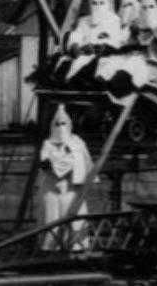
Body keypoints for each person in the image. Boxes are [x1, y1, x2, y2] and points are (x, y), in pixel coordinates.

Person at [38, 105, 92, 249]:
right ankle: (50, 248)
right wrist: (66, 161)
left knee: (74, 219)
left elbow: (84, 162)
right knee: (52, 219)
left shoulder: (77, 143)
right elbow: (45, 164)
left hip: (72, 189)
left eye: (63, 123)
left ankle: (76, 246)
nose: (60, 127)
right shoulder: (48, 143)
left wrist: (62, 161)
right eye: (57, 124)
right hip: (52, 188)